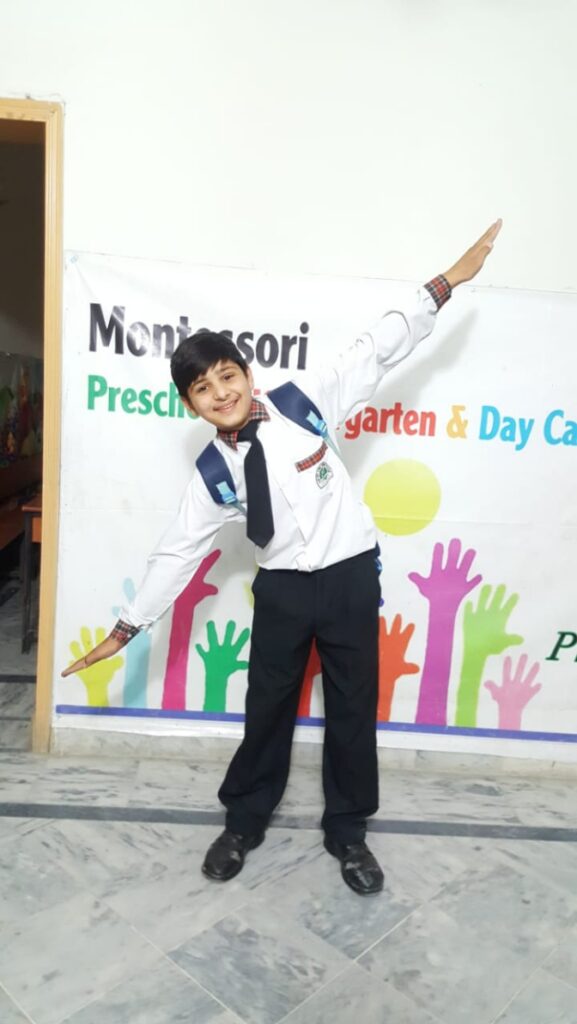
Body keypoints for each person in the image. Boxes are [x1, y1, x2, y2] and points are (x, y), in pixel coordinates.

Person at [63, 220, 502, 895]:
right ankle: (243, 823)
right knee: (266, 707)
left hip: (349, 579)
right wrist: (125, 630)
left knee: (352, 708)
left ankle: (348, 832)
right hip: (283, 590)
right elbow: (174, 554)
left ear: (247, 374)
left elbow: (378, 345)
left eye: (227, 376)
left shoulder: (304, 402)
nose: (221, 393)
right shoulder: (212, 473)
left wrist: (445, 282)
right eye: (203, 388)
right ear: (190, 405)